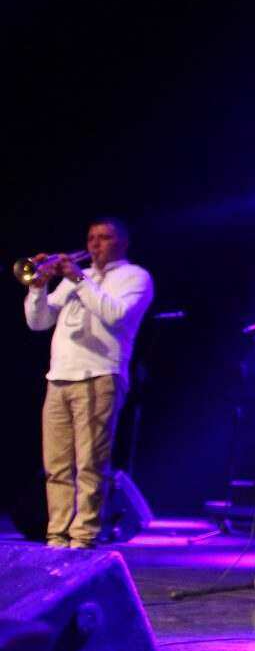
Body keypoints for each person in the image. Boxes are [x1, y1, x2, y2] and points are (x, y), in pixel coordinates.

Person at [22, 218, 154, 550]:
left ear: (123, 243)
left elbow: (116, 315)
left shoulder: (135, 277)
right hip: (59, 377)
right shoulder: (77, 279)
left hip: (98, 375)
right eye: (91, 237)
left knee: (90, 464)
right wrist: (37, 287)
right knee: (56, 467)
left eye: (104, 237)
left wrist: (77, 279)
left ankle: (83, 536)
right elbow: (38, 322)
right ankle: (57, 536)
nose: (94, 244)